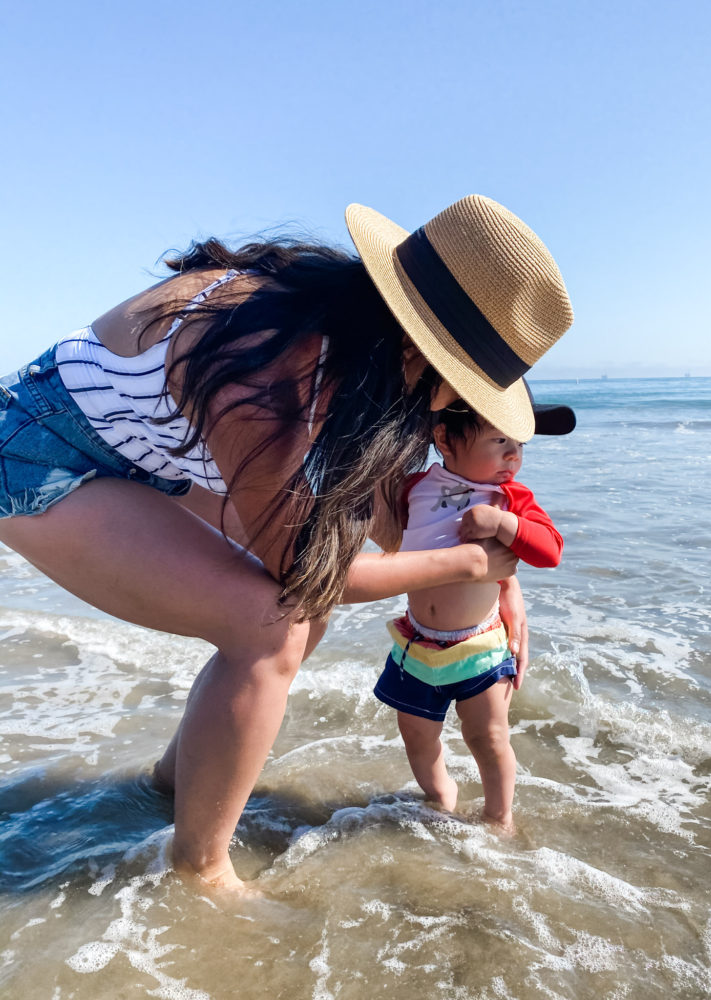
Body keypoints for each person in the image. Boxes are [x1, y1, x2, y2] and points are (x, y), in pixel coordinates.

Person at [0, 195, 573, 887]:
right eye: (461, 393)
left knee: (301, 615)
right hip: (41, 452)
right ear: (419, 350)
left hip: (155, 456)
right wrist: (467, 560)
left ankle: (171, 785)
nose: (449, 413)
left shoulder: (343, 344)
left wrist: (498, 586)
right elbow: (314, 577)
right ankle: (202, 873)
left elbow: (386, 533)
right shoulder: (264, 367)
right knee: (271, 624)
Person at [374, 399, 574, 830]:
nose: (513, 455)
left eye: (519, 443)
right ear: (444, 439)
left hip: (479, 645)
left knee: (488, 737)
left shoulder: (507, 498)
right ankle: (440, 794)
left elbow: (550, 549)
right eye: (499, 440)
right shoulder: (413, 488)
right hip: (417, 642)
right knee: (416, 735)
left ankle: (499, 817)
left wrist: (503, 525)